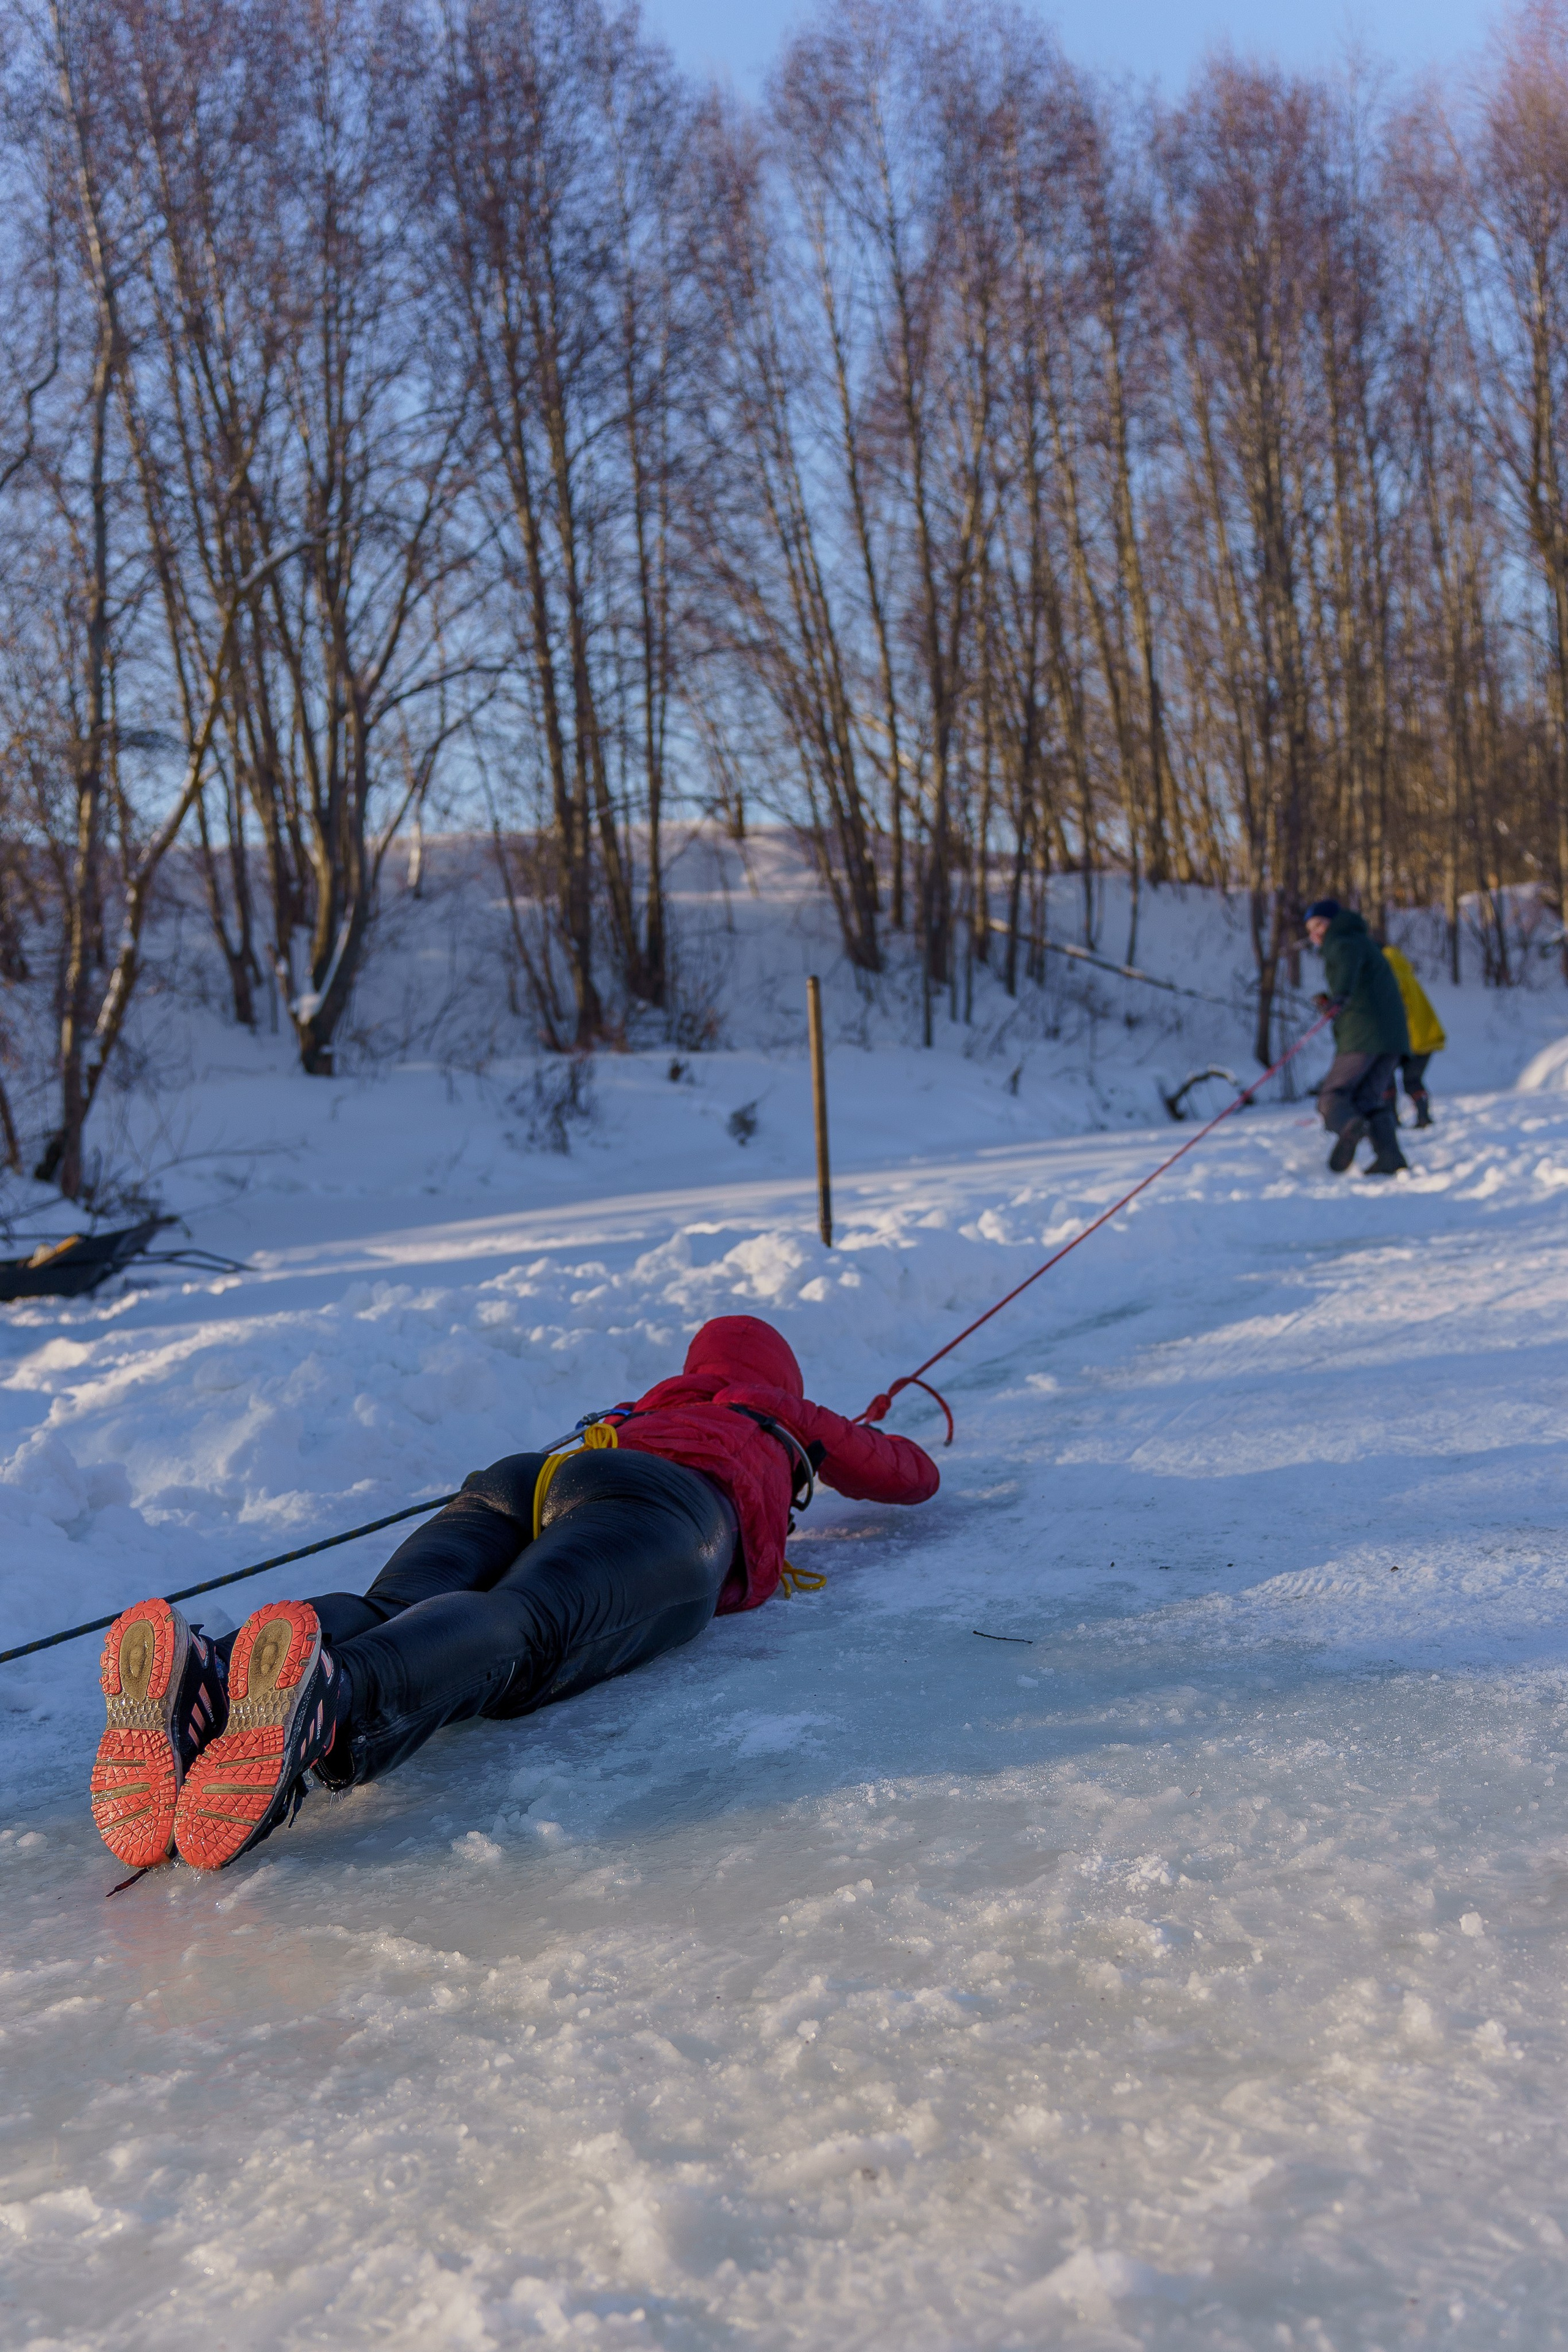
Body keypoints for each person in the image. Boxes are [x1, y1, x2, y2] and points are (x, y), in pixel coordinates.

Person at [89, 1316, 939, 1875]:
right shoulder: (777, 1410)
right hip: (666, 1507)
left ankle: (211, 1673)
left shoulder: (648, 1402)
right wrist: (822, 1434)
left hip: (536, 1474)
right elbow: (911, 1476)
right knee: (530, 1622)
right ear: (778, 1373)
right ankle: (337, 1699)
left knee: (392, 1605)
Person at [1302, 898, 1411, 1177]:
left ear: (1333, 921)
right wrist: (1336, 999)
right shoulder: (1364, 942)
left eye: (1319, 925)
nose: (1315, 934)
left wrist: (1340, 996)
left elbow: (1347, 963)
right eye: (1310, 929)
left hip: (1364, 1034)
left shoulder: (1342, 940)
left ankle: (1348, 1126)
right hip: (1393, 1037)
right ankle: (1390, 1158)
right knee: (1369, 1099)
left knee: (1332, 1095)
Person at [1377, 940, 1445, 1128]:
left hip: (1404, 1039)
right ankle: (1423, 1117)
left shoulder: (1388, 975)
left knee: (1386, 1077)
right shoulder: (1406, 972)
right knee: (1412, 1080)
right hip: (1425, 1037)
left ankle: (1391, 1120)